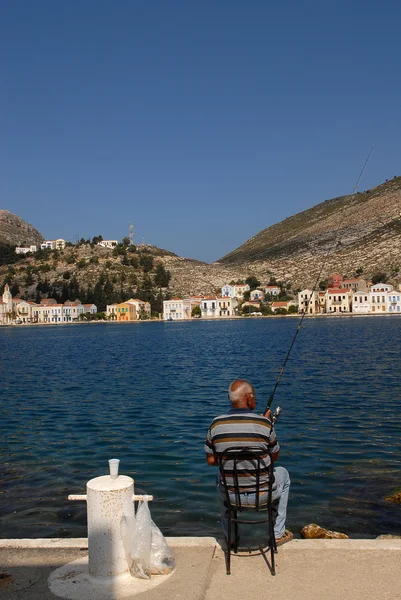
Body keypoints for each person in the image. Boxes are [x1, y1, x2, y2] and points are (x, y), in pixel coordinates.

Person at [205, 379, 292, 546]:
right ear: (249, 397)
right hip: (263, 496)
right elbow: (274, 457)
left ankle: (231, 537)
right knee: (284, 475)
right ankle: (277, 533)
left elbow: (210, 460)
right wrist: (267, 425)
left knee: (219, 475)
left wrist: (230, 457)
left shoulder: (216, 424)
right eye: (254, 397)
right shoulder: (264, 424)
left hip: (231, 497)